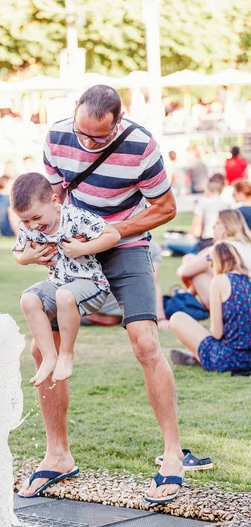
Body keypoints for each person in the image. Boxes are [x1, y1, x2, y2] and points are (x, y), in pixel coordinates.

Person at [18, 84, 184, 505]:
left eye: (100, 138)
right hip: (73, 254)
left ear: (118, 122)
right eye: (83, 134)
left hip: (125, 246)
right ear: (73, 114)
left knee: (145, 343)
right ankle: (58, 455)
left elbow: (165, 208)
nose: (89, 144)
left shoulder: (141, 145)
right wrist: (45, 243)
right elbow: (51, 199)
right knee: (43, 349)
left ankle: (171, 456)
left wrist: (111, 233)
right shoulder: (56, 136)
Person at [11, 172, 121, 386]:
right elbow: (18, 252)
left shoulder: (76, 217)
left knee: (64, 295)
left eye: (36, 218)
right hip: (57, 283)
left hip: (91, 285)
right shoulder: (28, 227)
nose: (32, 226)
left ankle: (66, 354)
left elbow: (113, 235)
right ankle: (49, 356)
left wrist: (83, 247)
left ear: (54, 201)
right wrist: (26, 258)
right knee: (28, 299)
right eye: (24, 220)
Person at [170, 242, 251, 374]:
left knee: (177, 318)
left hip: (227, 359)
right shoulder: (248, 280)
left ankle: (197, 356)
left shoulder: (219, 281)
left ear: (215, 261)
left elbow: (217, 333)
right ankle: (195, 356)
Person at [178, 209, 251, 309]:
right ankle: (188, 295)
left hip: (229, 303)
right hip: (245, 299)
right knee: (195, 263)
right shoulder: (247, 245)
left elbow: (184, 272)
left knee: (192, 264)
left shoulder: (222, 248)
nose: (213, 227)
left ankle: (187, 296)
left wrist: (185, 264)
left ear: (227, 226)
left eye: (217, 223)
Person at [164, 174, 228, 256]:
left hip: (206, 243)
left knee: (169, 242)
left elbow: (196, 231)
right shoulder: (227, 205)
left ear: (207, 188)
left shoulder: (203, 203)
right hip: (223, 243)